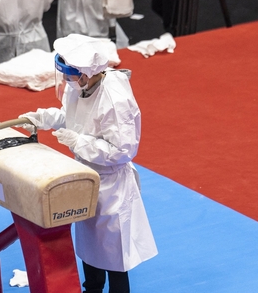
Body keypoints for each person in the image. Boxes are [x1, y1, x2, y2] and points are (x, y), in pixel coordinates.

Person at [20, 34, 157, 293]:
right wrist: (43, 118)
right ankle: (91, 288)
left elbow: (122, 151)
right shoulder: (82, 87)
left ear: (85, 74)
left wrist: (78, 141)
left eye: (70, 76)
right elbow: (72, 117)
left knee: (115, 256)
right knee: (89, 246)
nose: (68, 82)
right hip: (86, 177)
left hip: (111, 185)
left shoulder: (115, 101)